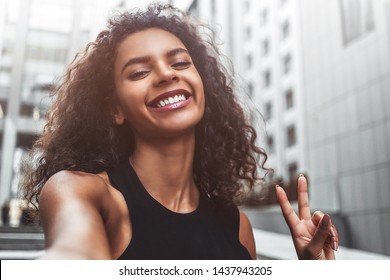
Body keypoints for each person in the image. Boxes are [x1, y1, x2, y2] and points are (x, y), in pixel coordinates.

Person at [22, 4, 338, 260]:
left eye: (180, 63)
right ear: (115, 109)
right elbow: (72, 254)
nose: (165, 74)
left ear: (203, 88)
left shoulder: (238, 227)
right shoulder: (80, 191)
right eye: (140, 72)